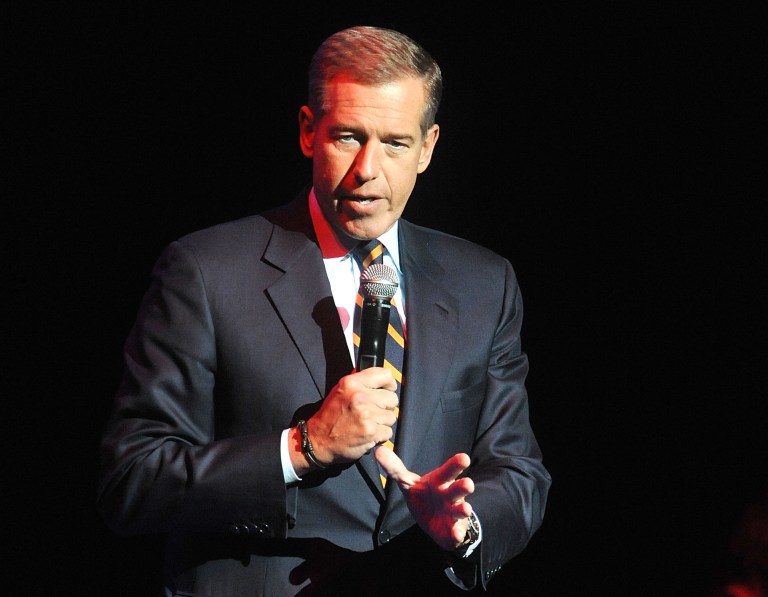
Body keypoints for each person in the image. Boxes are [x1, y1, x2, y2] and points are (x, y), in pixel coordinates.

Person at [97, 25, 551, 595]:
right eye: (346, 137)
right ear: (309, 132)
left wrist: (464, 525)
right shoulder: (204, 271)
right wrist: (302, 448)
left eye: (395, 143)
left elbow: (519, 472)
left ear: (429, 147)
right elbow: (131, 480)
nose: (368, 169)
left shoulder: (484, 282)